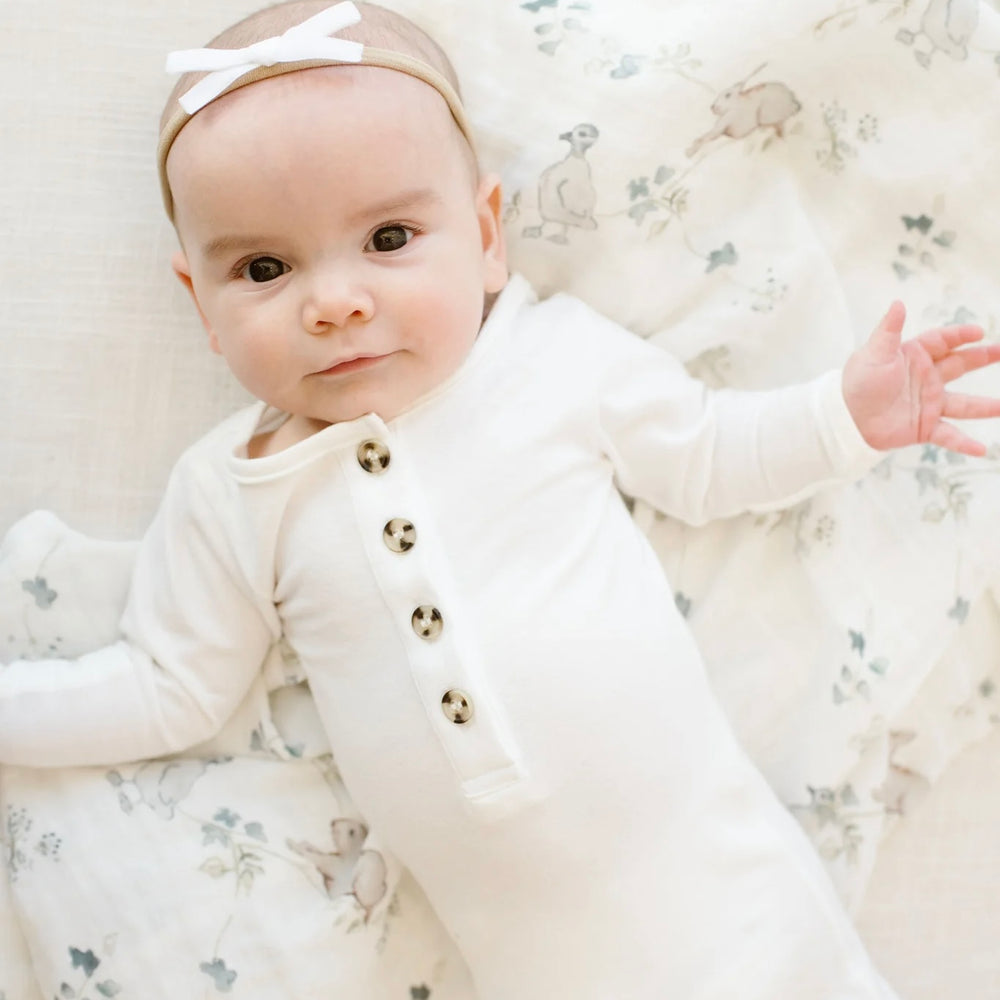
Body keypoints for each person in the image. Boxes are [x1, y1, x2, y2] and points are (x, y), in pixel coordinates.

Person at [3, 2, 1000, 996]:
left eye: (389, 236)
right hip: (530, 961)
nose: (335, 301)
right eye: (264, 267)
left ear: (485, 236)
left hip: (726, 888)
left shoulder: (552, 361)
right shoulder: (231, 489)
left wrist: (842, 416)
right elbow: (169, 688)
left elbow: (709, 456)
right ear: (202, 303)